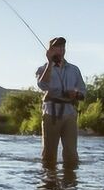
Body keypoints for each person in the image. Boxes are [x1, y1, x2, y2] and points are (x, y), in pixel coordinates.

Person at [36, 37, 86, 168]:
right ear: (51, 50)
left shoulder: (74, 69)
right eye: (57, 47)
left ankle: (70, 184)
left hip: (70, 113)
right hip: (51, 113)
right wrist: (49, 63)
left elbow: (83, 92)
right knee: (49, 154)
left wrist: (75, 94)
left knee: (71, 154)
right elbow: (42, 85)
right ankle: (48, 183)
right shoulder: (43, 69)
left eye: (63, 47)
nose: (61, 49)